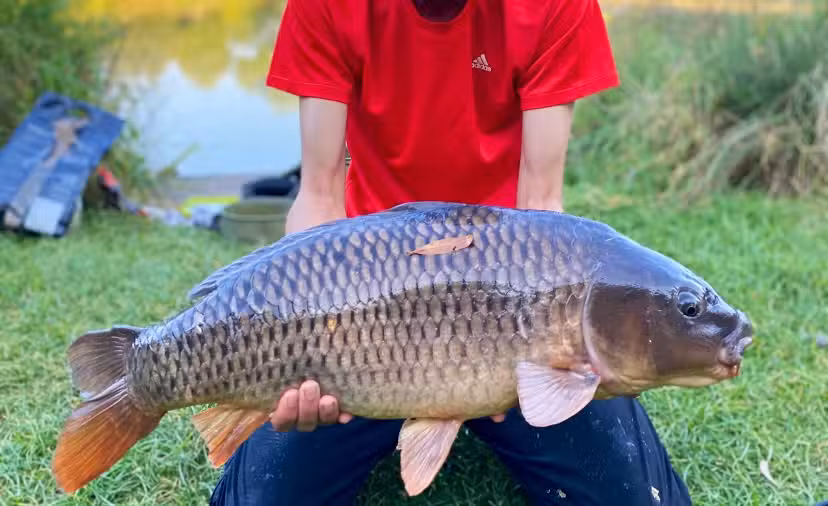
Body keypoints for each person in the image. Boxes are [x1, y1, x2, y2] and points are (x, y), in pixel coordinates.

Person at [210, 0, 692, 504]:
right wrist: (304, 334)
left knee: (636, 498)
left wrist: (535, 351)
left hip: (512, 305)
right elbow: (320, 195)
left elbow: (542, 206)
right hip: (364, 309)